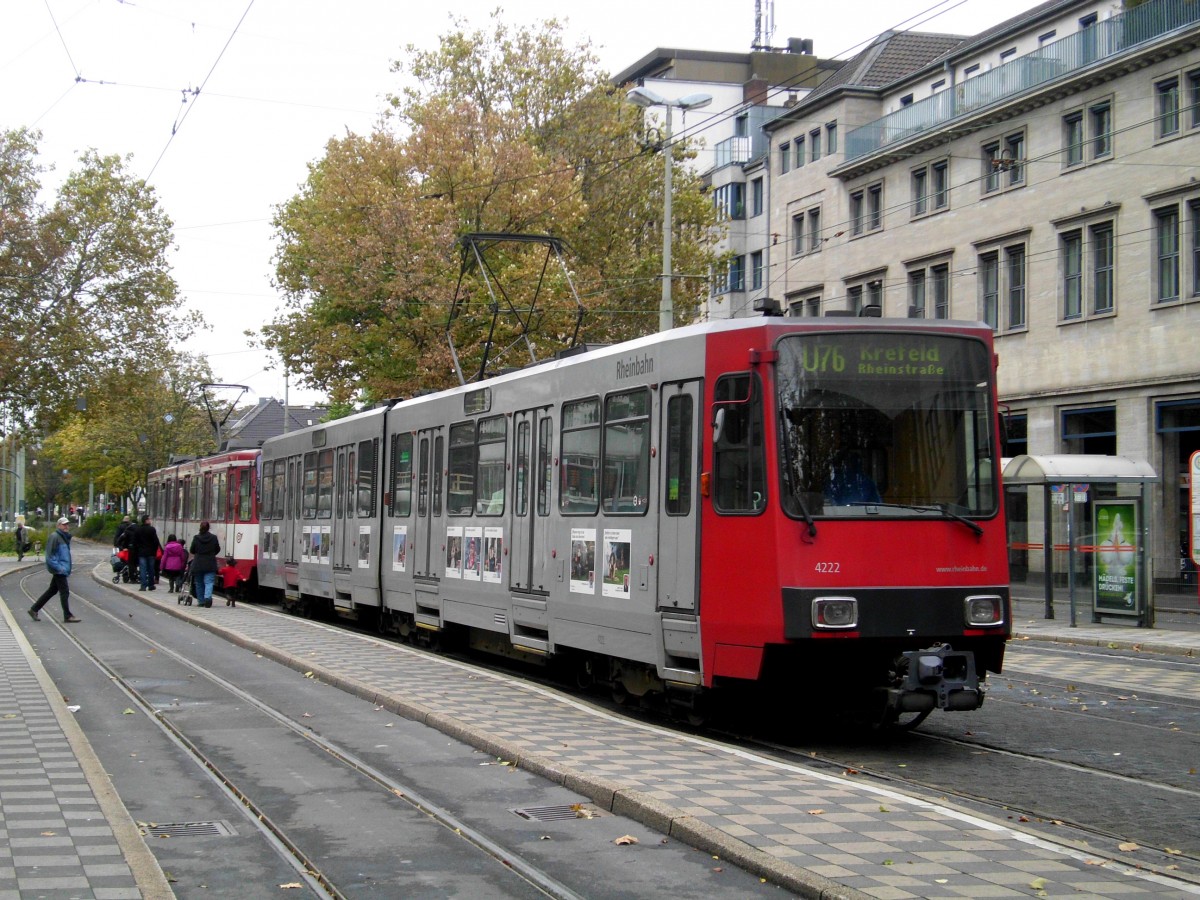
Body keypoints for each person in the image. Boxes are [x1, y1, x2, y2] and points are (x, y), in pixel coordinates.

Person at [28, 517, 81, 623]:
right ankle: (67, 615)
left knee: (52, 590)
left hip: (61, 568)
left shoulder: (64, 537)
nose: (66, 526)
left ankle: (34, 609)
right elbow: (50, 556)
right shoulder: (55, 537)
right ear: (58, 526)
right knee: (64, 592)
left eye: (67, 524)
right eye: (64, 524)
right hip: (59, 569)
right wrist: (59, 568)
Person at [189, 521, 221, 608]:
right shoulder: (213, 538)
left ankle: (201, 601)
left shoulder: (196, 538)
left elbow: (192, 550)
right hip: (210, 563)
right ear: (208, 528)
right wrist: (211, 553)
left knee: (199, 583)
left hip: (198, 563)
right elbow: (217, 549)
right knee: (209, 582)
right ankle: (208, 598)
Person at [132, 514, 162, 591]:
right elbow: (156, 541)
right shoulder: (152, 529)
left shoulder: (138, 530)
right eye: (149, 519)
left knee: (143, 569)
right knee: (151, 569)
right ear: (146, 520)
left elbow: (135, 542)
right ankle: (151, 585)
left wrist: (137, 551)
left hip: (141, 553)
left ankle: (143, 586)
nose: (150, 520)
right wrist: (155, 551)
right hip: (151, 553)